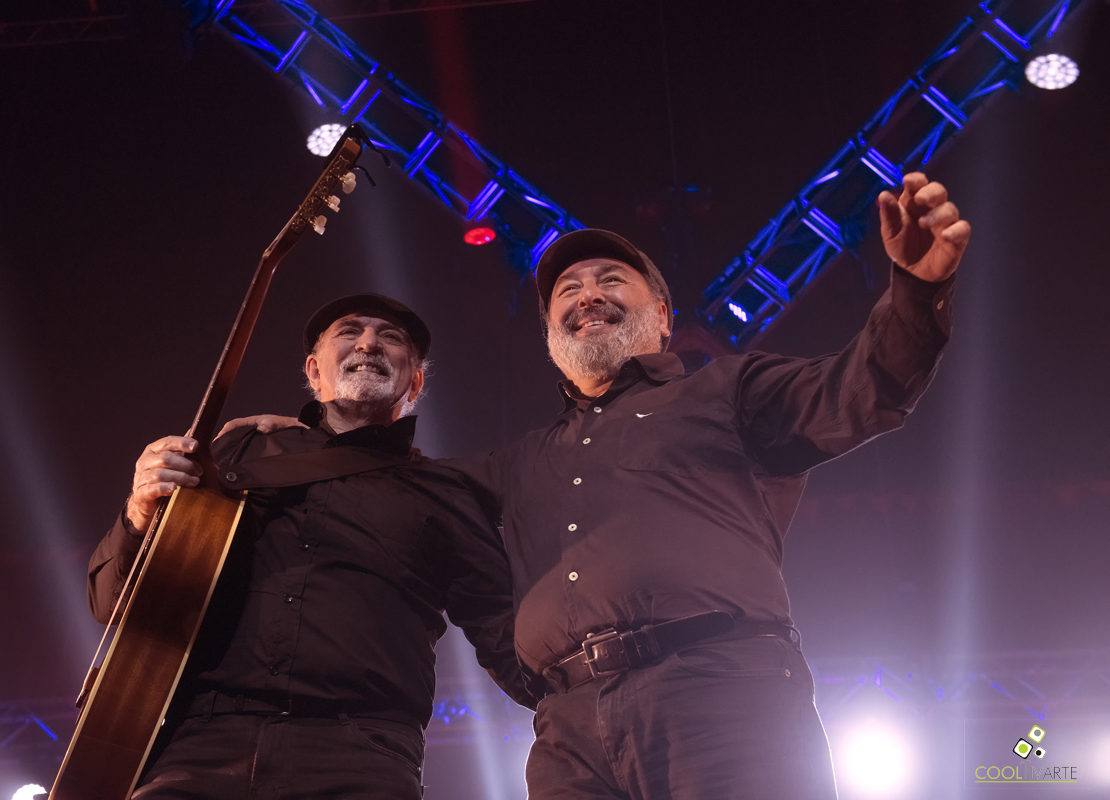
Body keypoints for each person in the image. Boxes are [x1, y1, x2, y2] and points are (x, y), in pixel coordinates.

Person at [233, 172, 970, 799]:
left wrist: (917, 287)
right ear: (550, 335)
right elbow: (390, 480)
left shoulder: (728, 392)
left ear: (661, 316)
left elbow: (861, 390)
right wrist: (306, 435)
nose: (587, 293)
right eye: (568, 289)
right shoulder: (516, 463)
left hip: (722, 690)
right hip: (569, 730)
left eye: (611, 280)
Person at [87, 294, 533, 800]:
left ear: (416, 383)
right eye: (349, 332)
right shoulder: (239, 453)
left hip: (361, 754)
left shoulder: (445, 493)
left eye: (390, 338)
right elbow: (111, 603)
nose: (368, 342)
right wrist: (140, 514)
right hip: (198, 745)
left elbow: (504, 634)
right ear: (314, 371)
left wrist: (590, 701)